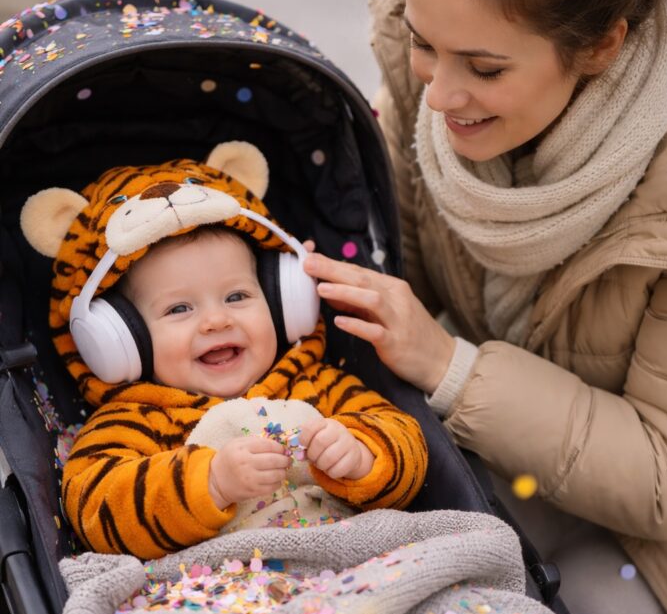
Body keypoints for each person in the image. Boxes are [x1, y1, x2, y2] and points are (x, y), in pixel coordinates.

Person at [303, 0, 667, 614]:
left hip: (649, 539)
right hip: (504, 455)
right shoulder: (428, 97)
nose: (439, 95)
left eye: (484, 68)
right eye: (423, 44)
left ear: (599, 46)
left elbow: (665, 479)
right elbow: (396, 265)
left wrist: (448, 368)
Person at [23, 149, 427, 560]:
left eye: (237, 296)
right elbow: (94, 507)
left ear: (280, 300)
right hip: (217, 596)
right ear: (121, 338)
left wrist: (362, 456)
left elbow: (407, 441)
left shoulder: (314, 383)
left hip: (354, 561)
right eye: (179, 309)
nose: (216, 321)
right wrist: (209, 483)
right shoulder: (135, 417)